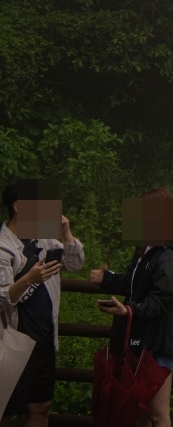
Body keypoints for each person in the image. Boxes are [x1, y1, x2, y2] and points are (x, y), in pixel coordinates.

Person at [91, 188, 173, 427]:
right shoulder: (144, 250)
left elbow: (159, 301)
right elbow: (132, 283)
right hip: (142, 339)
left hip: (158, 343)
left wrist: (128, 311)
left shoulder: (168, 256)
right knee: (139, 410)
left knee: (157, 413)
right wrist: (106, 279)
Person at [1, 182, 85, 427]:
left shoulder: (45, 240)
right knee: (4, 409)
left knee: (40, 406)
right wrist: (29, 279)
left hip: (43, 340)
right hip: (10, 341)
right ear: (18, 206)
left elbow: (75, 264)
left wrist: (66, 231)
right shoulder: (3, 246)